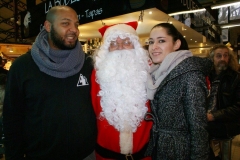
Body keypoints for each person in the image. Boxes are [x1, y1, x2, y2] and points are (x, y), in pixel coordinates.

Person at [2, 6, 97, 160]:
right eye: (66, 24)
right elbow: (12, 119)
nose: (74, 30)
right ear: (48, 26)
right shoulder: (23, 67)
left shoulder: (87, 64)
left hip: (86, 155)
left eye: (76, 24)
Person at [144, 23, 211, 160]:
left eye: (161, 41)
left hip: (180, 151)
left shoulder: (189, 74)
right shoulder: (157, 74)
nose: (154, 47)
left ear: (176, 44)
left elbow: (199, 129)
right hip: (160, 148)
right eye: (151, 42)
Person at [91, 21, 152, 160]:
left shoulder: (149, 71)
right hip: (105, 156)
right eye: (113, 43)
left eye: (126, 42)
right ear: (106, 49)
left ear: (135, 46)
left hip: (144, 156)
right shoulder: (96, 75)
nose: (120, 47)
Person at [206, 44, 240, 159]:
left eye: (225, 56)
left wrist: (213, 116)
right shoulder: (205, 76)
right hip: (207, 120)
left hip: (226, 124)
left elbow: (238, 107)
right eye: (219, 56)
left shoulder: (235, 78)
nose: (222, 59)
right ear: (212, 58)